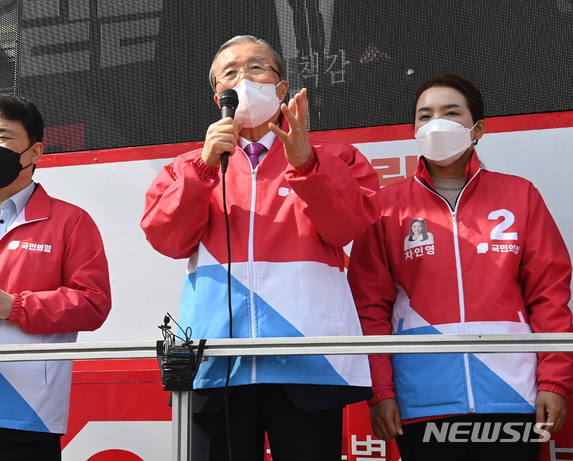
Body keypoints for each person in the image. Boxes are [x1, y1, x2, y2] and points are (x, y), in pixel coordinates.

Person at [142, 35, 381, 461]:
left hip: (308, 362)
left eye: (257, 68)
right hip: (219, 365)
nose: (244, 78)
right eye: (230, 73)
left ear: (282, 87)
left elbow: (349, 225)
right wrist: (203, 168)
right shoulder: (188, 166)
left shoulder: (333, 156)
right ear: (218, 96)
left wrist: (307, 164)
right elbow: (167, 240)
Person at [349, 74, 573, 460]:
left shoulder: (520, 195)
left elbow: (550, 295)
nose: (437, 123)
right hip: (420, 400)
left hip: (513, 393)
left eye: (451, 113)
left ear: (478, 129)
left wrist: (554, 381)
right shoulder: (388, 206)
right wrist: (381, 393)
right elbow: (368, 307)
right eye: (425, 115)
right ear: (414, 129)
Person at [0, 94, 112, 460]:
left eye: (1, 137)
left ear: (34, 152)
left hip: (26, 415)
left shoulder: (71, 222)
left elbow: (94, 303)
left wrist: (16, 306)